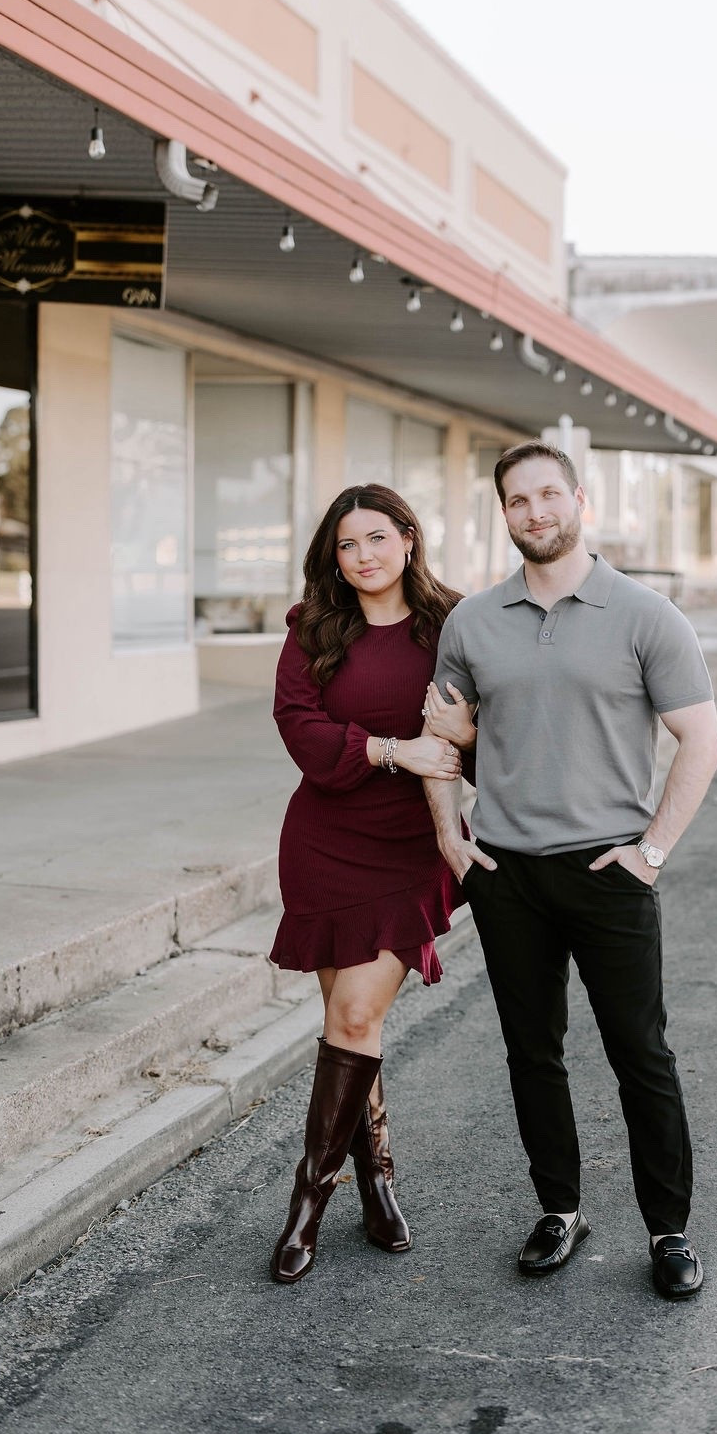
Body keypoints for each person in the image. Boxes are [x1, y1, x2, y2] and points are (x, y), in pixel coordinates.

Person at [422, 441, 717, 1300]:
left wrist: (651, 852)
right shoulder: (473, 621)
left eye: (549, 495)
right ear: (505, 513)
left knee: (642, 1054)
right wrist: (450, 836)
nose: (535, 512)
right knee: (533, 1052)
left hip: (609, 874)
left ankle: (669, 1231)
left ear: (580, 500)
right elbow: (440, 739)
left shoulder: (644, 614)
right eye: (518, 501)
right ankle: (560, 1208)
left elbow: (700, 740)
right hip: (508, 872)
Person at [268, 483, 475, 1284]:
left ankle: (306, 1206)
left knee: (355, 1014)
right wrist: (394, 750)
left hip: (409, 847)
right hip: (325, 839)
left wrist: (459, 744)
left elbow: (487, 727)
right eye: (347, 545)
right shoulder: (314, 625)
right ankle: (378, 1179)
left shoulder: (452, 623)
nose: (362, 557)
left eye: (377, 539)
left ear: (410, 541)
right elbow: (298, 723)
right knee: (351, 1026)